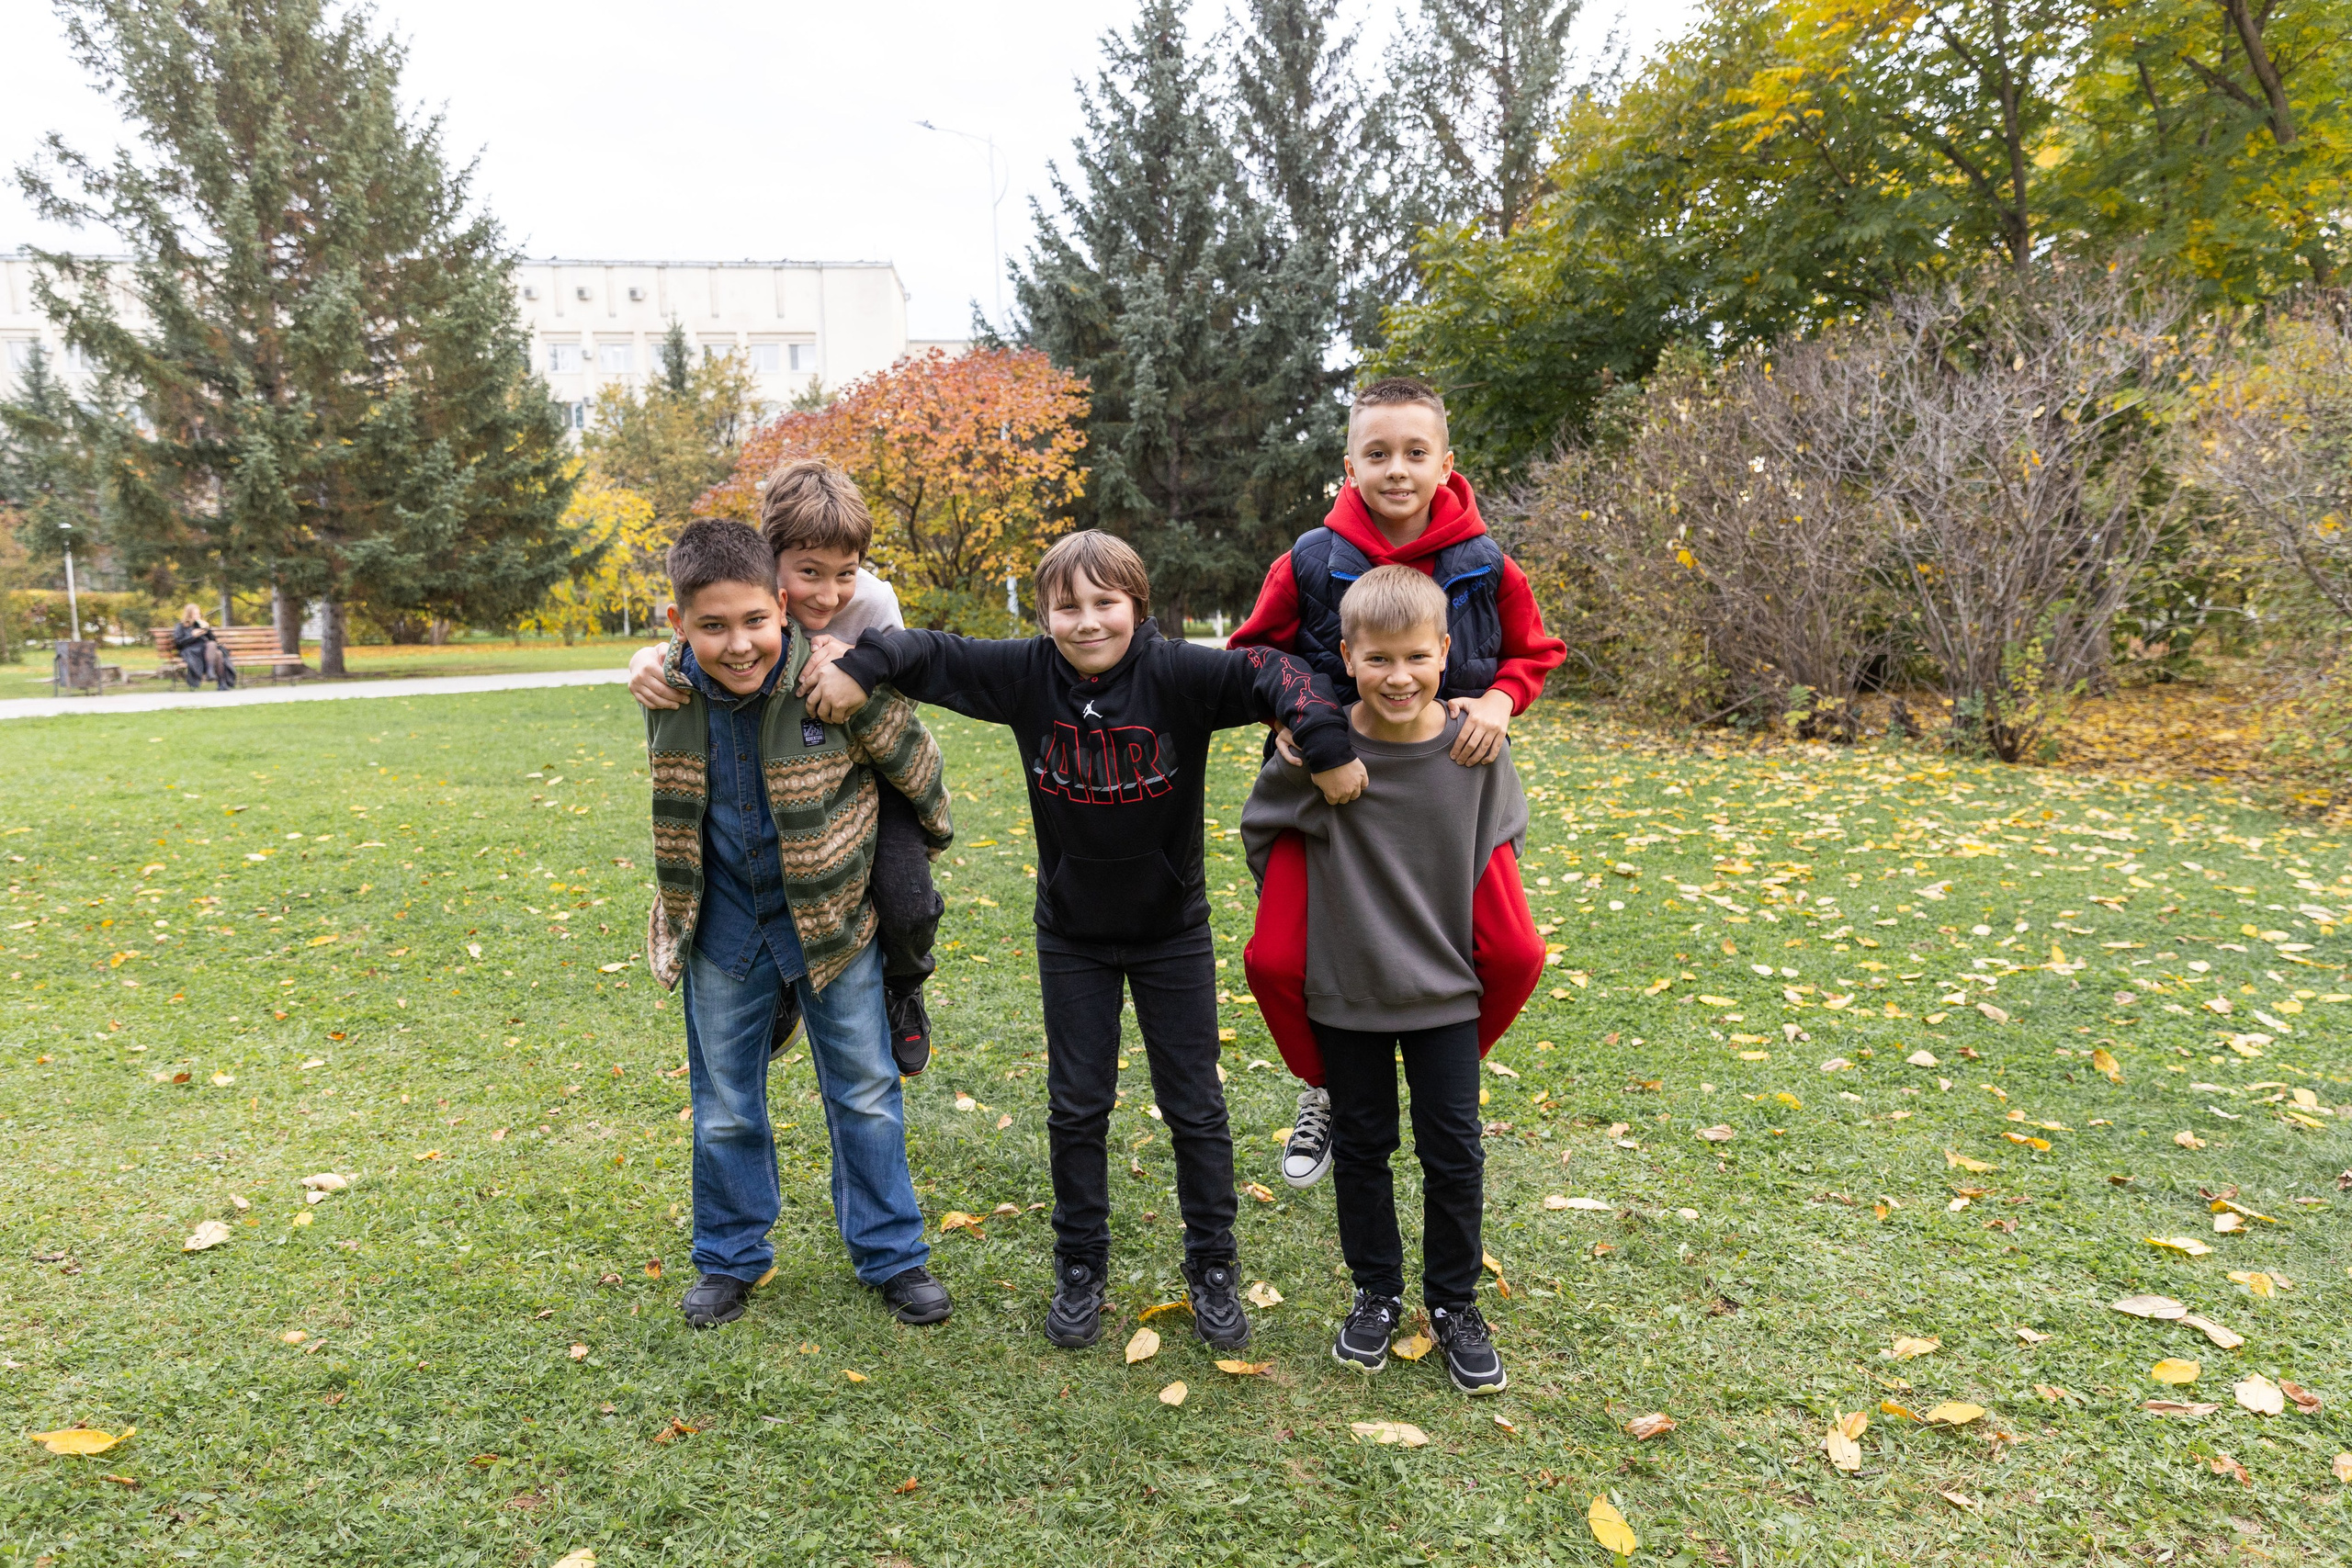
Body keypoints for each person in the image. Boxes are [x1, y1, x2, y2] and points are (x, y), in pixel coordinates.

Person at [800, 531, 1366, 1353]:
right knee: (1077, 1106)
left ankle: (1212, 1265)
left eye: (1107, 603)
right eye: (1069, 606)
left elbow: (1279, 671)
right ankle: (1079, 1268)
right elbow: (924, 651)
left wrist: (1324, 741)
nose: (1089, 621)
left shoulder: (1177, 672)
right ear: (1045, 614)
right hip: (1071, 934)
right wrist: (860, 665)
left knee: (1197, 1108)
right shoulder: (1028, 674)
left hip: (1172, 930)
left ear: (1138, 606)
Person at [1228, 377, 1560, 1189]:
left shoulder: (1485, 563)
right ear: (1350, 464)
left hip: (1452, 790)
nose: (1398, 469)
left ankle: (1430, 1066)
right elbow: (1250, 654)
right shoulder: (1310, 559)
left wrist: (1497, 699)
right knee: (1275, 960)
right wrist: (1288, 717)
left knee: (1514, 951)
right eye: (1378, 453)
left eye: (1416, 452)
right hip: (1331, 796)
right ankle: (1334, 1083)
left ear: (1447, 462)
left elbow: (1535, 652)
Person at [641, 516, 956, 1331]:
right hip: (722, 928)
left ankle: (893, 1255)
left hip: (834, 925)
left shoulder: (833, 682)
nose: (738, 643)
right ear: (678, 625)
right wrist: (647, 664)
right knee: (725, 1103)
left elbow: (916, 763)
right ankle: (730, 1257)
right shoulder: (669, 687)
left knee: (865, 1093)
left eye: (753, 620)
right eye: (711, 626)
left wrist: (917, 849)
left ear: (782, 607)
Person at [1241, 565, 1533, 1396]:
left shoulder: (1475, 751)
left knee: (1454, 1152)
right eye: (1378, 659)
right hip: (1348, 989)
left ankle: (1454, 1303)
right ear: (1347, 655)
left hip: (1445, 992)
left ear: (1446, 652)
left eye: (1416, 656)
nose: (1398, 676)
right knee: (1364, 1150)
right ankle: (1375, 1292)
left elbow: (1497, 855)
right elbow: (1263, 836)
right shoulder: (1322, 749)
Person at [629, 459, 944, 1077]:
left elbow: (908, 693)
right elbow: (694, 629)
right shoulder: (749, 595)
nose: (827, 595)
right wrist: (643, 657)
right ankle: (779, 989)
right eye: (808, 575)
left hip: (874, 771)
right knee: (771, 880)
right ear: (772, 567)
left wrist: (861, 660)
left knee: (909, 902)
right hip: (791, 775)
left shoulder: (873, 599)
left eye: (843, 574)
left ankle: (903, 985)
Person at [172, 604, 236, 691]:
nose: (197, 616)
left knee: (215, 649)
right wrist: (193, 636)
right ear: (189, 615)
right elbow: (179, 643)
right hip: (192, 651)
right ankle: (221, 682)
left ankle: (212, 674)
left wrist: (207, 629)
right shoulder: (181, 626)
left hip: (206, 651)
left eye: (198, 614)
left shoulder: (200, 625)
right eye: (195, 614)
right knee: (218, 653)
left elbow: (213, 640)